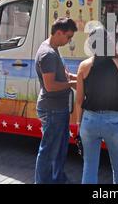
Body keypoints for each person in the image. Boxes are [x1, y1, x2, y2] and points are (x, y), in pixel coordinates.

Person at [75, 27, 118, 184]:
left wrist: (78, 124)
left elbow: (79, 100)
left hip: (89, 120)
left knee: (89, 166)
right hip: (113, 121)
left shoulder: (83, 66)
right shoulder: (116, 61)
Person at [35, 18, 78, 184]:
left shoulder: (53, 48)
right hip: (52, 109)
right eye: (68, 37)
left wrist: (77, 78)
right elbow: (50, 86)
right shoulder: (48, 54)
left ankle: (58, 179)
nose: (69, 41)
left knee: (59, 149)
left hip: (58, 108)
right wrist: (73, 83)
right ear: (59, 33)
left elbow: (64, 75)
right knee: (49, 151)